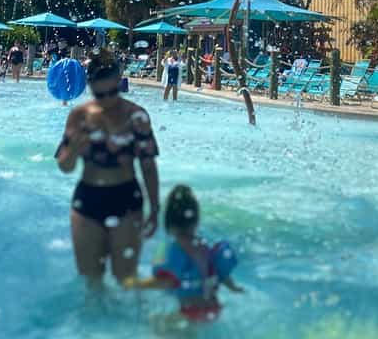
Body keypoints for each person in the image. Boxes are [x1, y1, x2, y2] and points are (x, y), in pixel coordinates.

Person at [55, 49, 160, 286]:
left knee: (126, 279)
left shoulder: (136, 117)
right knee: (91, 279)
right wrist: (73, 149)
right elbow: (65, 167)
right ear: (90, 87)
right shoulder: (79, 116)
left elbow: (148, 166)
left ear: (119, 80)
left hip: (126, 199)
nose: (108, 100)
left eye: (113, 91)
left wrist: (154, 208)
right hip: (87, 200)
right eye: (100, 94)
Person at [123, 185, 242, 323]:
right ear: (196, 220)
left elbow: (167, 281)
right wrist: (233, 287)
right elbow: (221, 274)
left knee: (154, 323)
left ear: (168, 222)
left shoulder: (175, 250)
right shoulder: (205, 246)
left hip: (191, 311)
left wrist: (137, 283)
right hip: (214, 308)